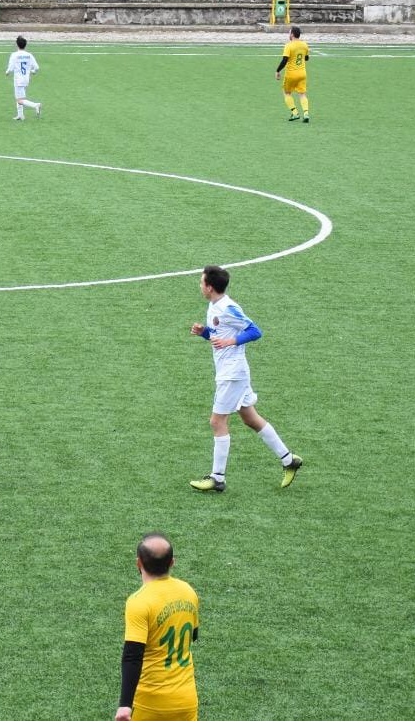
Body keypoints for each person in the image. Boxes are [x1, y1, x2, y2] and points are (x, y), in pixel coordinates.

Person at [189, 264, 304, 493]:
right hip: (232, 372)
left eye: (201, 282)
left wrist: (231, 342)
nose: (199, 286)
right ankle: (289, 460)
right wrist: (204, 333)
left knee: (217, 422)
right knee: (250, 418)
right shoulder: (214, 306)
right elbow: (219, 336)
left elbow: (255, 331)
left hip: (232, 374)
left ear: (210, 287)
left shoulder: (228, 308)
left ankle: (217, 478)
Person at [116, 533, 200, 722]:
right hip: (186, 700)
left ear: (138, 563)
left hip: (150, 702)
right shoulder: (188, 592)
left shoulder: (139, 602)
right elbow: (193, 635)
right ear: (172, 562)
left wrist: (125, 704)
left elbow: (132, 656)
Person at [277, 25, 311, 123]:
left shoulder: (289, 45)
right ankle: (306, 114)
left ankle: (295, 113)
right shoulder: (304, 45)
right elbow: (306, 58)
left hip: (291, 74)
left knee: (287, 93)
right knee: (302, 94)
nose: (288, 34)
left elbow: (284, 60)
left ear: (292, 34)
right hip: (302, 74)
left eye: (289, 32)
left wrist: (277, 71)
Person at [6, 35, 42, 121]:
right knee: (20, 96)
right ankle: (20, 115)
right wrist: (33, 71)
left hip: (18, 79)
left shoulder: (14, 55)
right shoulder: (29, 55)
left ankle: (35, 105)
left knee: (19, 100)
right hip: (26, 79)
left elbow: (11, 68)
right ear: (25, 45)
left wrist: (7, 72)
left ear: (17, 44)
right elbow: (36, 67)